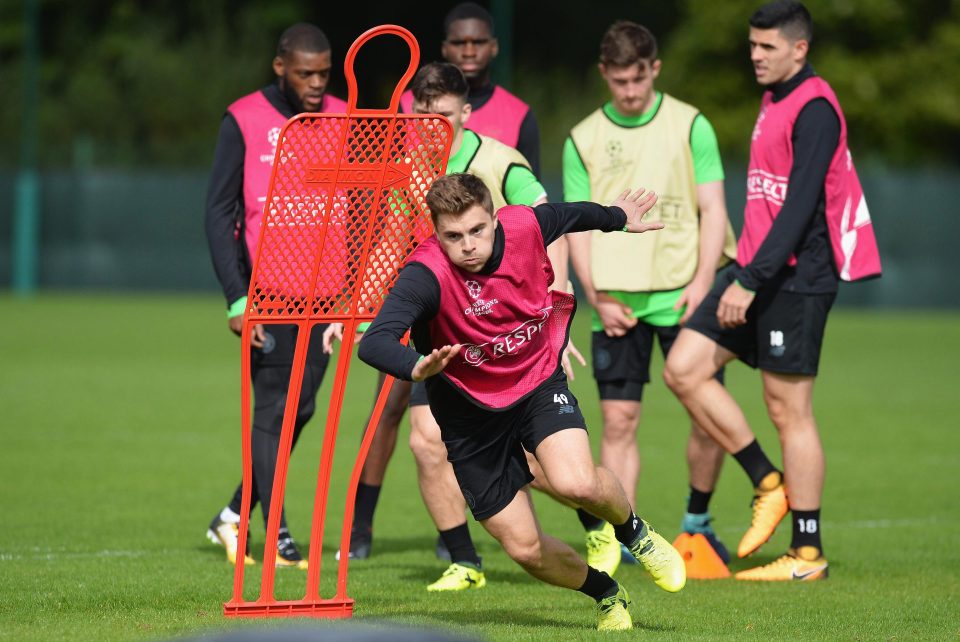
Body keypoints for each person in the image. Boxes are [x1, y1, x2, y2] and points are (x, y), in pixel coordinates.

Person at [358, 172, 684, 631]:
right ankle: (607, 593)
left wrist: (616, 217)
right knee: (526, 549)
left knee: (576, 483)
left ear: (495, 219)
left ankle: (636, 533)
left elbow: (571, 215)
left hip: (535, 383)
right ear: (436, 233)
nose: (468, 245)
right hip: (469, 418)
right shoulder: (425, 273)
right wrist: (415, 366)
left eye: (477, 230)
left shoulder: (526, 226)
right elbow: (374, 342)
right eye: (453, 236)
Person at [663, 0, 881, 581]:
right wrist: (747, 271)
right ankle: (767, 481)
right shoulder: (774, 97)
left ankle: (807, 554)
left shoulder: (815, 109)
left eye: (766, 47)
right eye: (752, 45)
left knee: (790, 411)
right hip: (755, 267)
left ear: (799, 49)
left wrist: (751, 282)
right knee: (683, 367)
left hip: (795, 277)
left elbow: (802, 203)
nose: (754, 56)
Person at [327, 63, 561, 593]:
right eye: (423, 113)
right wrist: (362, 311)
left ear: (466, 112)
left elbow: (546, 222)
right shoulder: (407, 168)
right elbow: (389, 241)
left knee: (534, 456)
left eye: (444, 113)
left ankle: (597, 517)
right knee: (426, 441)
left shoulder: (500, 161)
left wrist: (551, 310)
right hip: (440, 326)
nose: (432, 122)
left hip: (503, 330)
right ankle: (465, 561)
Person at [564, 20, 737, 576]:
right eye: (619, 82)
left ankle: (698, 524)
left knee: (706, 415)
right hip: (617, 301)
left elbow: (714, 208)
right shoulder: (581, 137)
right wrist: (595, 295)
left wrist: (703, 281)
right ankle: (624, 537)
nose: (630, 92)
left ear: (654, 70)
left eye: (638, 79)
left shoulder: (691, 125)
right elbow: (576, 226)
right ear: (604, 75)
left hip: (689, 291)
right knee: (618, 423)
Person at [203, 23, 346, 569]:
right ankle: (277, 534)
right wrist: (238, 299)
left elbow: (358, 206)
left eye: (323, 73)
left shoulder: (343, 116)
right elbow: (218, 214)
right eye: (305, 73)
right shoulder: (243, 118)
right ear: (280, 66)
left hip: (327, 299)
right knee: (274, 411)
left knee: (300, 410)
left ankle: (234, 514)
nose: (316, 83)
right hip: (270, 295)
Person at [400, 2, 541, 176]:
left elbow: (530, 198)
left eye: (479, 42)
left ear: (494, 47)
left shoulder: (519, 115)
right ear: (444, 48)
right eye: (459, 43)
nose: (469, 51)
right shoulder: (405, 107)